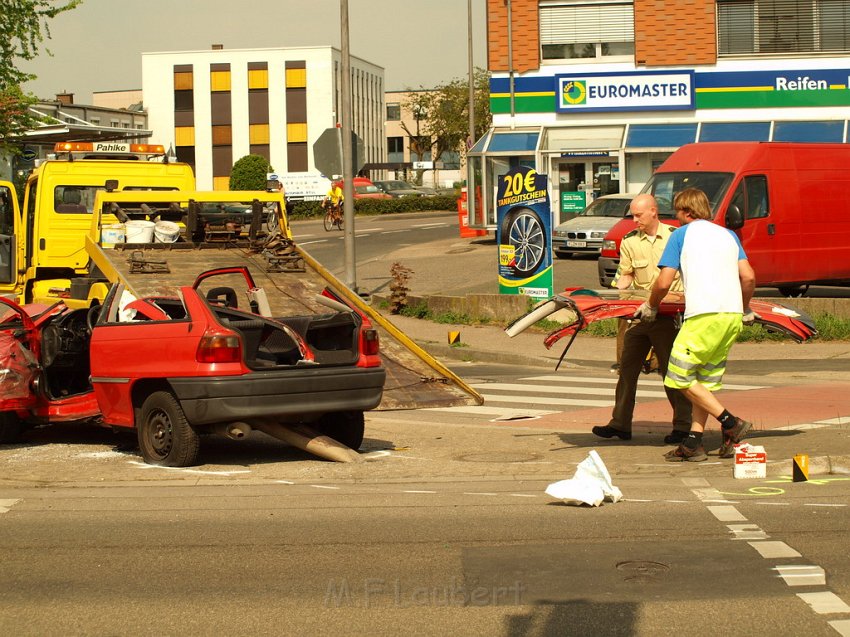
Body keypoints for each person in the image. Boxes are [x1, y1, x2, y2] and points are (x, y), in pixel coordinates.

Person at [636, 187, 757, 462]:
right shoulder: (729, 235)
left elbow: (664, 282)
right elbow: (748, 277)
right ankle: (694, 442)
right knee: (703, 382)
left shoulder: (680, 235)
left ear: (686, 211)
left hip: (703, 316)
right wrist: (745, 307)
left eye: (677, 211)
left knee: (678, 378)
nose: (676, 217)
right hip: (730, 318)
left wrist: (651, 306)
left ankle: (731, 423)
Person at [592, 194, 693, 444]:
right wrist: (619, 290)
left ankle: (682, 426)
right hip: (640, 316)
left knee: (672, 373)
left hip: (667, 316)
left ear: (653, 212)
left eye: (638, 215)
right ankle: (620, 423)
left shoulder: (674, 236)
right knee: (626, 370)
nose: (634, 220)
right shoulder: (629, 241)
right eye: (632, 215)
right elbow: (625, 274)